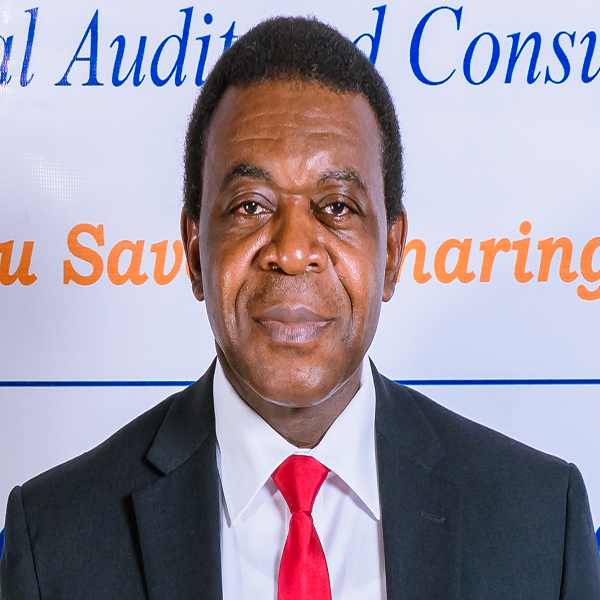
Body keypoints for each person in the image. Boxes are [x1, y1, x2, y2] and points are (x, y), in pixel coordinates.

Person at [1, 16, 599, 600]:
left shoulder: (542, 523)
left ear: (392, 254)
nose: (291, 252)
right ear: (194, 251)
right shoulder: (54, 539)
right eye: (250, 206)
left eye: (337, 206)